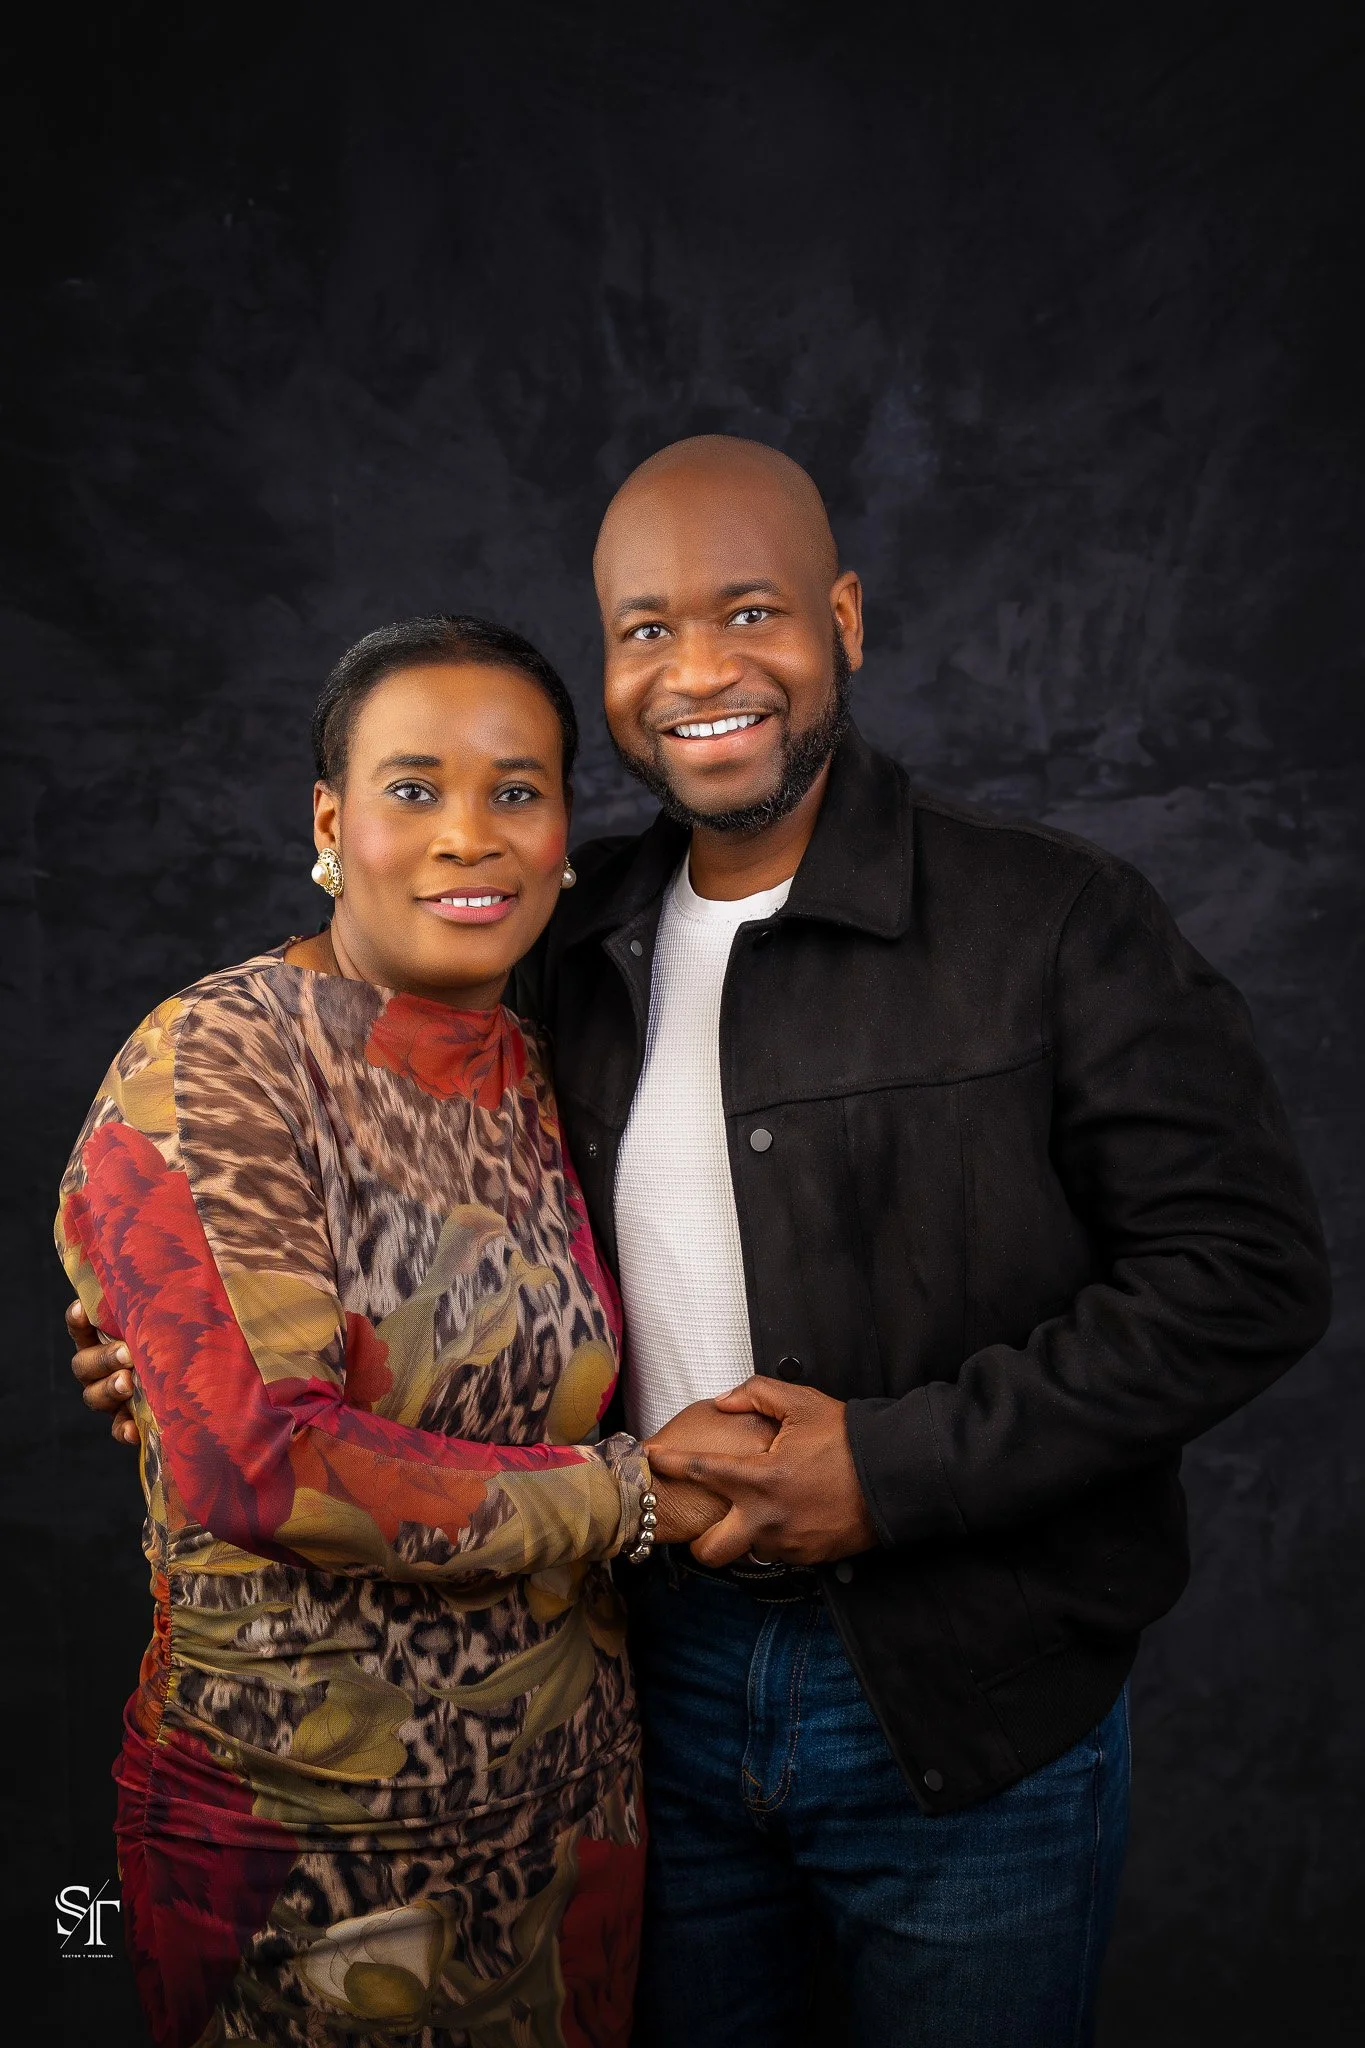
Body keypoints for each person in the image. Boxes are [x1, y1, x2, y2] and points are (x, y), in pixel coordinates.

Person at [74, 438, 1333, 2048]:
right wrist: (170, 1334)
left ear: (848, 620)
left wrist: (893, 1466)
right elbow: (378, 1223)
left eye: (753, 612)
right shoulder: (560, 938)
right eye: (647, 630)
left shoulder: (1055, 922)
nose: (702, 672)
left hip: (965, 1696)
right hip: (635, 1689)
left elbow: (1248, 1278)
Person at [54, 613, 746, 2048]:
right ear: (330, 821)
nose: (467, 838)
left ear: (567, 833)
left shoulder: (561, 1070)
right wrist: (628, 1496)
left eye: (517, 791)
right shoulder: (217, 1060)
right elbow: (259, 1466)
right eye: (413, 788)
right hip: (305, 1850)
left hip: (566, 1828)